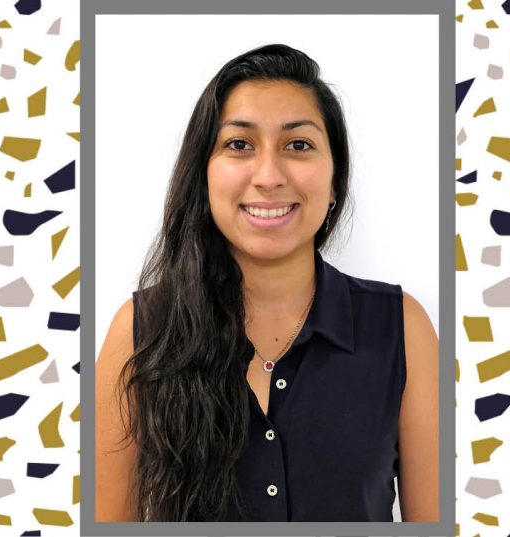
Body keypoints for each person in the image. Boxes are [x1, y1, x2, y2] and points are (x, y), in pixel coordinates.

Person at [96, 43, 439, 522]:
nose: (269, 176)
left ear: (335, 180)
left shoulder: (401, 328)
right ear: (204, 174)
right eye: (239, 145)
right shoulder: (140, 331)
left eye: (298, 145)